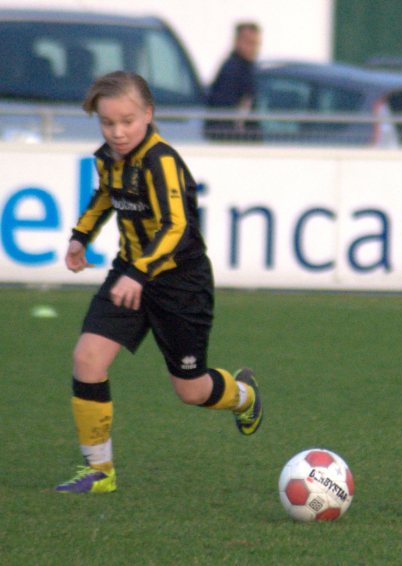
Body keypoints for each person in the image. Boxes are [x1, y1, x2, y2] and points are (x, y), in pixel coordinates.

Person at [56, 71, 264, 494]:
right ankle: (100, 471)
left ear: (148, 115)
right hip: (129, 273)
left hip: (180, 283)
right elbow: (104, 196)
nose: (117, 132)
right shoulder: (108, 158)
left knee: (191, 390)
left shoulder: (161, 160)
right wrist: (80, 236)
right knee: (87, 359)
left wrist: (139, 272)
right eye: (107, 123)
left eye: (127, 121)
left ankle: (244, 396)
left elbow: (177, 225)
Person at [205, 22, 262, 141]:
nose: (253, 49)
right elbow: (225, 111)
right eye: (249, 43)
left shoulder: (247, 69)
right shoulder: (232, 71)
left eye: (256, 44)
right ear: (237, 41)